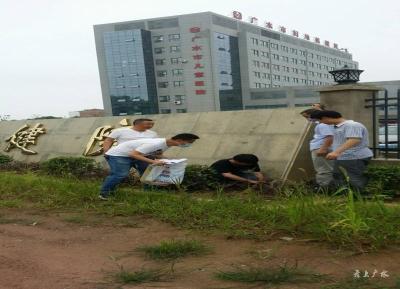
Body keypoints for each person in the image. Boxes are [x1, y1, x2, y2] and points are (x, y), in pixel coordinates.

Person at [99, 133, 200, 199]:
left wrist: (171, 160)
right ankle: (104, 194)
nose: (189, 144)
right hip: (118, 155)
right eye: (189, 142)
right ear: (180, 140)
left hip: (136, 155)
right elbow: (133, 154)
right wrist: (153, 162)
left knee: (148, 172)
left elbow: (157, 154)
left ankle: (149, 192)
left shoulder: (166, 144)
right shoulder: (156, 143)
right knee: (120, 174)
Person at [310, 110, 373, 192]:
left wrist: (336, 152)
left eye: (320, 120)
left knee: (353, 178)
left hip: (354, 157)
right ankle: (346, 196)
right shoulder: (337, 127)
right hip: (343, 157)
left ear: (325, 118)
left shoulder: (352, 125)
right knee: (338, 176)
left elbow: (354, 140)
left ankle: (358, 197)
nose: (321, 123)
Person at [300, 108, 334, 189]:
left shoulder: (322, 125)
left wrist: (323, 149)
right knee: (325, 168)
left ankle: (324, 188)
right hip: (321, 147)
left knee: (323, 169)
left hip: (320, 147)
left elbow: (329, 137)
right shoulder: (324, 124)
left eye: (307, 117)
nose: (308, 119)